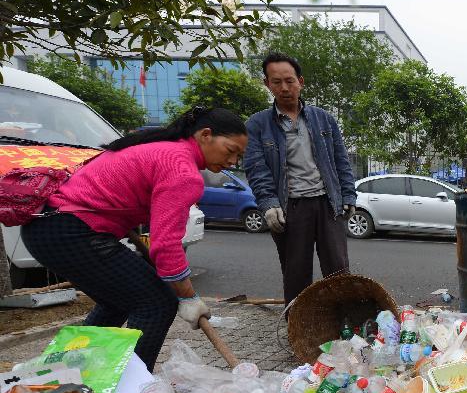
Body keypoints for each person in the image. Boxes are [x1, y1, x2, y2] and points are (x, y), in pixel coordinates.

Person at [21, 107, 247, 371]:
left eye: (238, 156)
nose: (232, 161)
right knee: (157, 302)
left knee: (118, 301)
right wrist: (188, 297)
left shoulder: (162, 147)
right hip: (71, 231)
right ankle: (132, 388)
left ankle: (72, 372)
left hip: (49, 228)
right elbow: (165, 245)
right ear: (206, 135)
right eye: (230, 150)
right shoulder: (182, 169)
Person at [243, 52, 357, 305]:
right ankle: (298, 326)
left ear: (300, 82)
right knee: (296, 273)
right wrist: (269, 204)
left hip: (328, 204)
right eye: (276, 82)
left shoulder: (323, 119)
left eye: (289, 80)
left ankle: (342, 321)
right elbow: (256, 168)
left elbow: (342, 161)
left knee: (338, 269)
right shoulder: (258, 125)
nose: (284, 88)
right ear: (267, 84)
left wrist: (348, 195)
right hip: (291, 207)